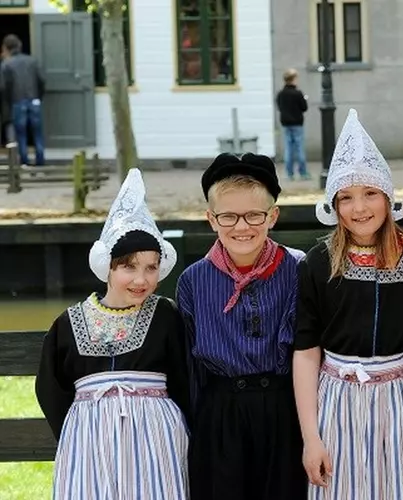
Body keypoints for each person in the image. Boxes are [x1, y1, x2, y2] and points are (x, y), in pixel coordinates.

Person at [294, 108, 403, 499]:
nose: (359, 208)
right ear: (334, 205)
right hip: (337, 401)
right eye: (346, 198)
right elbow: (306, 352)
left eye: (371, 193)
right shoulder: (319, 263)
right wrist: (311, 437)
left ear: (389, 197)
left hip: (402, 398)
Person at [35, 168, 190, 499]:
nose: (141, 279)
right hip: (88, 438)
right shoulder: (68, 323)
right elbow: (51, 388)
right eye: (129, 267)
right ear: (108, 266)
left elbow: (184, 379)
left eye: (151, 267)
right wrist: (82, 426)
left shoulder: (165, 315)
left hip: (155, 436)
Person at [176, 152, 307, 500]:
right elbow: (190, 367)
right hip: (221, 414)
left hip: (283, 408)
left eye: (253, 215)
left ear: (273, 216)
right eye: (228, 216)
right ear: (211, 219)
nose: (242, 227)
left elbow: (308, 347)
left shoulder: (298, 269)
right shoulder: (194, 280)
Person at [1, 34, 45, 167]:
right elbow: (42, 81)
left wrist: (6, 105)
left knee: (21, 134)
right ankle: (40, 161)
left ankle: (24, 161)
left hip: (17, 101)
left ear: (6, 48)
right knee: (37, 132)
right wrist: (38, 97)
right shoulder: (32, 61)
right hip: (34, 100)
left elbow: (3, 86)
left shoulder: (6, 64)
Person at [276, 68, 310, 181]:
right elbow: (304, 107)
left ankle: (289, 173)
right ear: (293, 79)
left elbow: (279, 106)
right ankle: (303, 172)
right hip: (297, 123)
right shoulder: (297, 93)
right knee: (299, 148)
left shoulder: (281, 94)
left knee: (288, 148)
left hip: (286, 123)